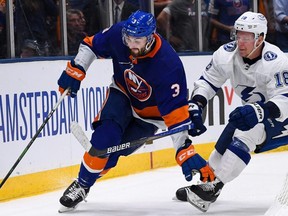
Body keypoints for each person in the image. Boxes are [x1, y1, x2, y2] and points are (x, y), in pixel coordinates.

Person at [56, 10, 215, 212]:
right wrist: (76, 68)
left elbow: (177, 118)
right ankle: (82, 185)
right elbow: (91, 45)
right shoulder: (119, 34)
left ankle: (90, 174)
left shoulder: (168, 66)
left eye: (138, 40)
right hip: (122, 95)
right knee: (104, 140)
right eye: (129, 38)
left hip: (150, 118)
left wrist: (184, 151)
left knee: (111, 155)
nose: (132, 44)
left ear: (151, 37)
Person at [175, 11, 288, 212]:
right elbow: (207, 81)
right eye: (238, 35)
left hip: (281, 117)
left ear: (260, 38)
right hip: (258, 113)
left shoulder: (276, 61)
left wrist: (261, 112)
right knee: (231, 131)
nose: (240, 42)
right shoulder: (226, 54)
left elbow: (285, 99)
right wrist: (197, 104)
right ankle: (208, 180)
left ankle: (212, 189)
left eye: (247, 37)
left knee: (247, 131)